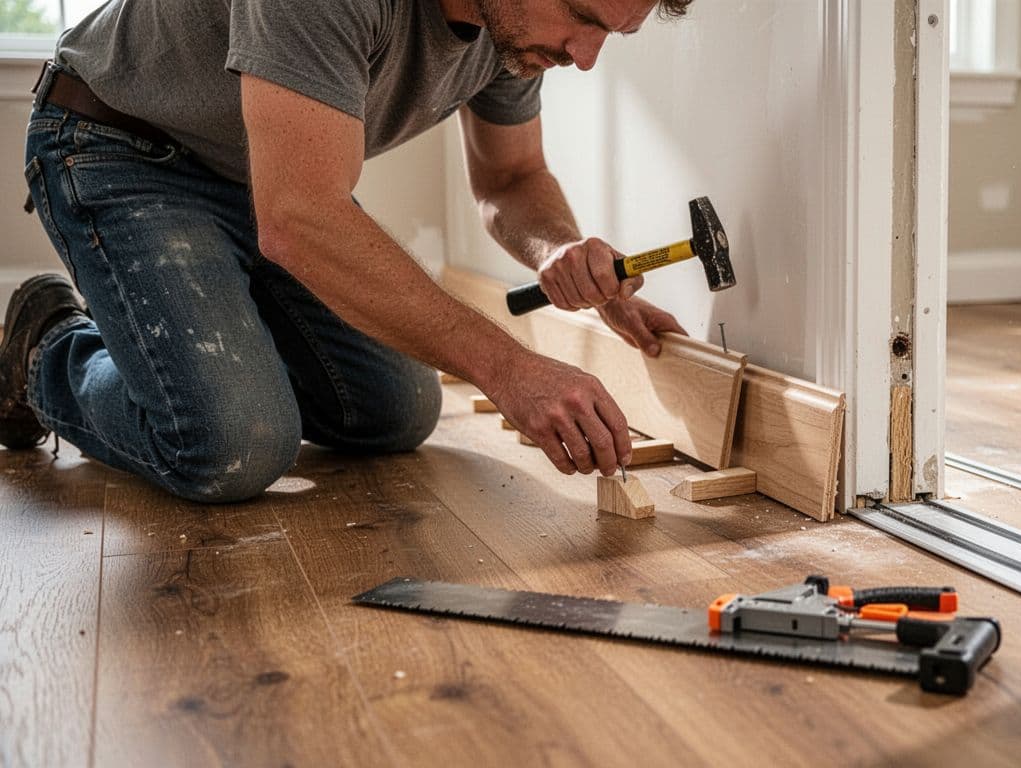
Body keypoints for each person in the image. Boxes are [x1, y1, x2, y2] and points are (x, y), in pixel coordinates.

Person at [0, 0, 691, 502]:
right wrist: (507, 367)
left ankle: (211, 333)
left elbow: (511, 179)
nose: (586, 56)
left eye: (611, 34)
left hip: (263, 175)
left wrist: (560, 249)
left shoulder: (517, 30)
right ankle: (45, 347)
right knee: (232, 444)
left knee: (392, 411)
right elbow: (300, 219)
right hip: (121, 145)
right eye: (584, 16)